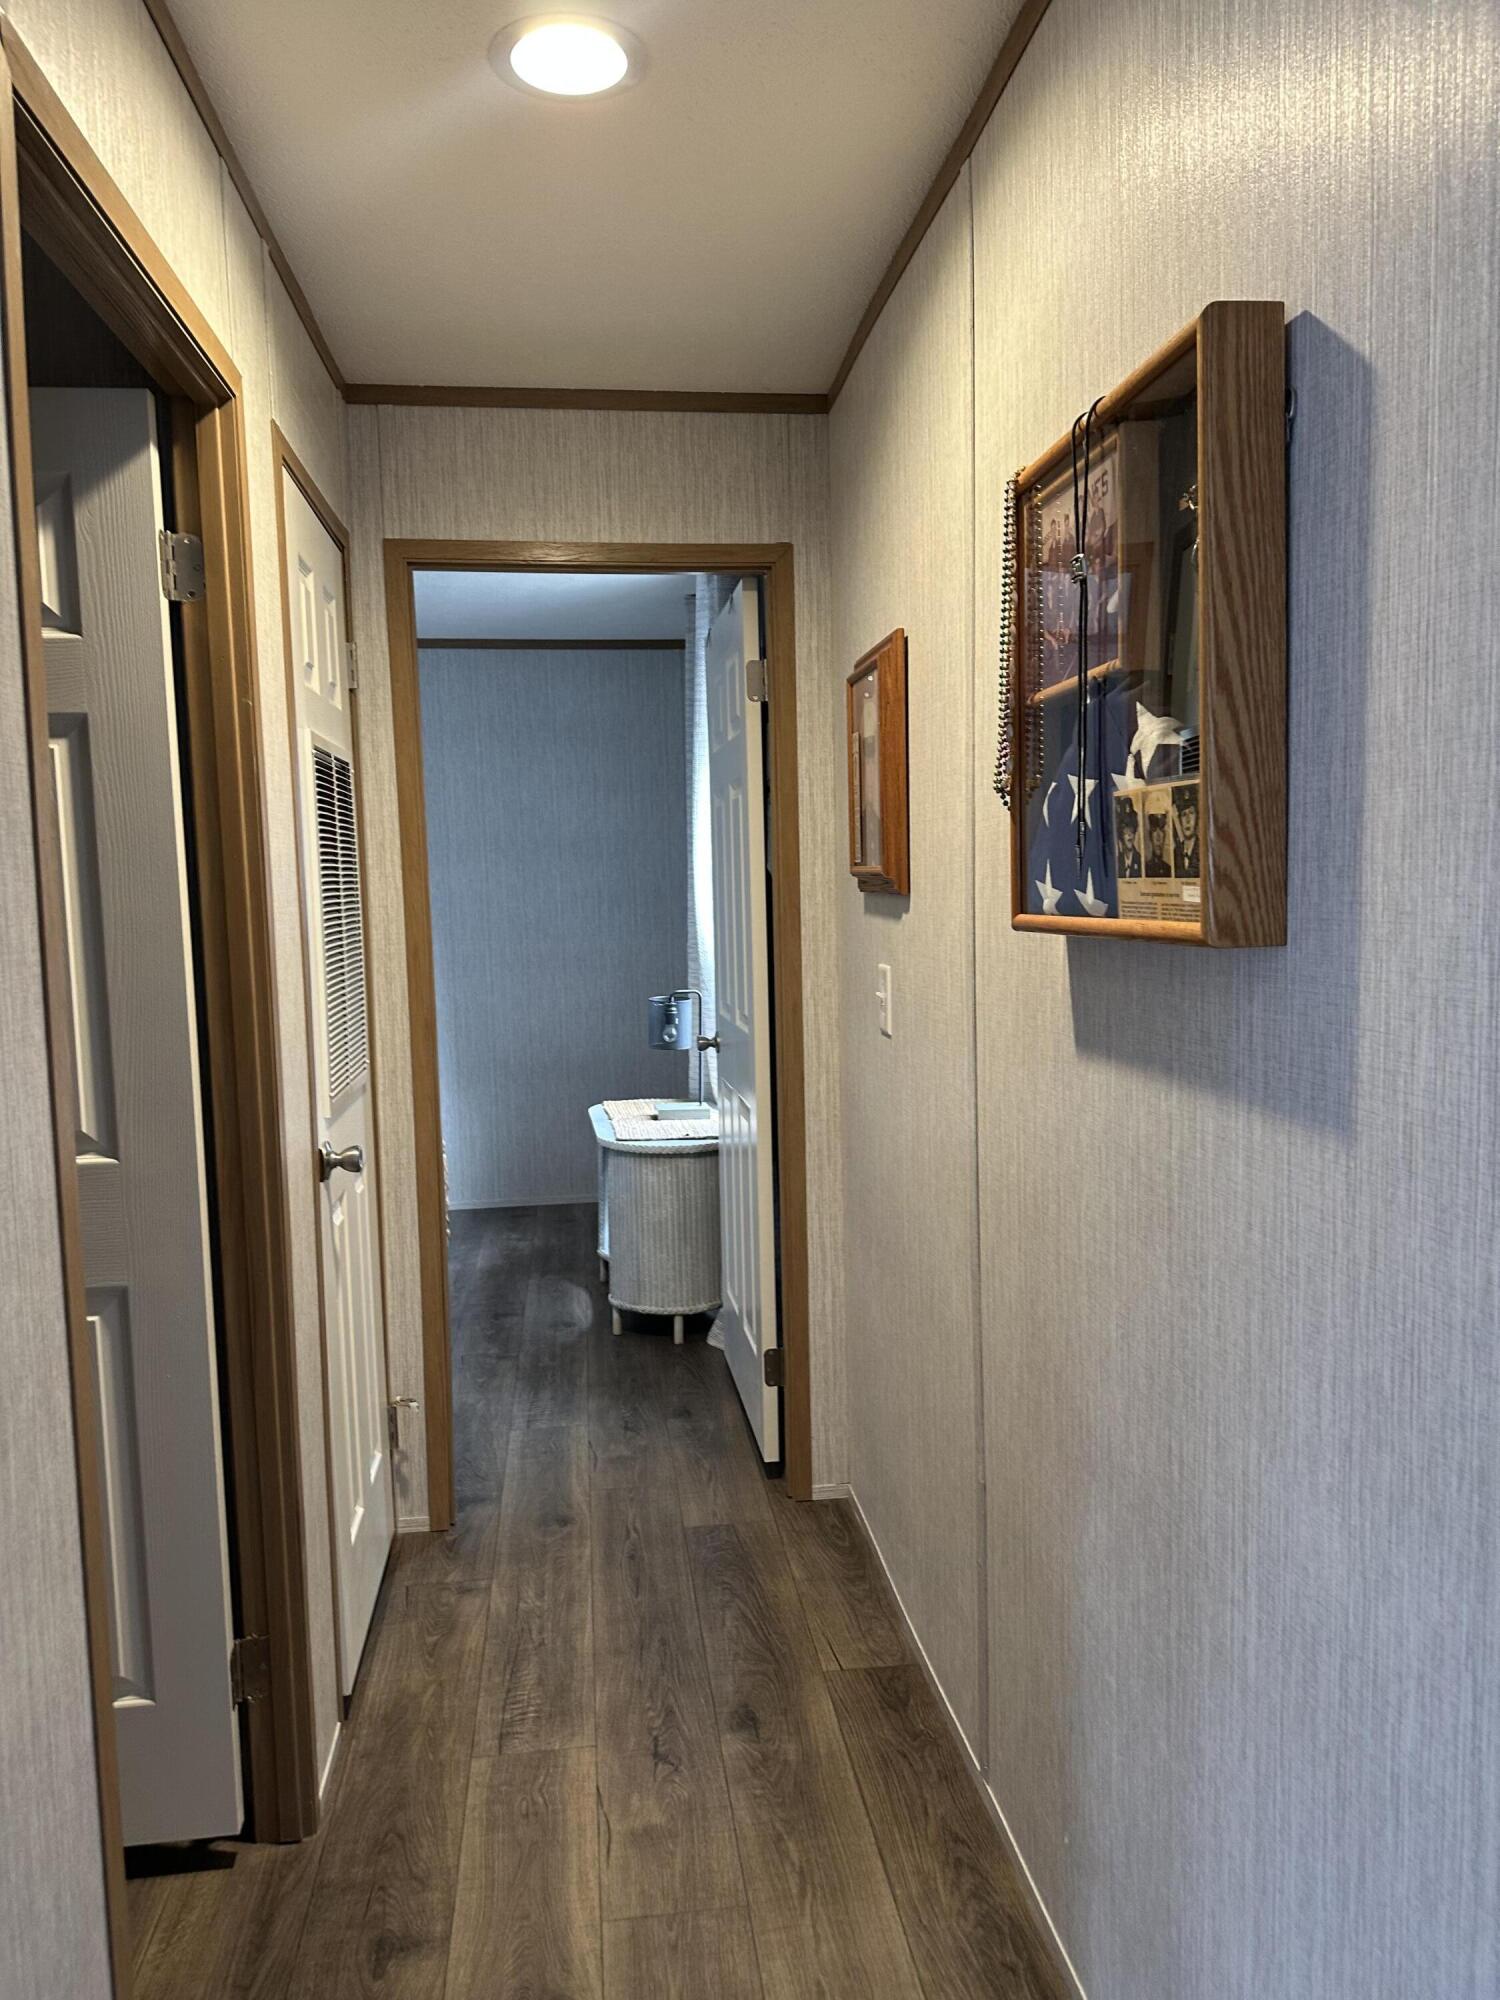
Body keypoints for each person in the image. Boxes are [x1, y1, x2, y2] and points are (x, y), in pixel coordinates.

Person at [1173, 784, 1201, 878]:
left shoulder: (1204, 851)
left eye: (1191, 813)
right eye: (1184, 814)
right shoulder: (1175, 853)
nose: (1187, 820)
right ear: (1180, 820)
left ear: (1197, 817)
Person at [1114, 797, 1142, 877]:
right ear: (1121, 834)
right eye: (1126, 830)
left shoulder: (1140, 860)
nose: (1130, 835)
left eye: (1132, 830)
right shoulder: (1117, 861)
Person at [1145, 809, 1171, 876]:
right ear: (1150, 836)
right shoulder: (1145, 869)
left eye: (1161, 830)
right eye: (1154, 830)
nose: (1158, 838)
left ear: (1165, 835)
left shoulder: (1169, 870)